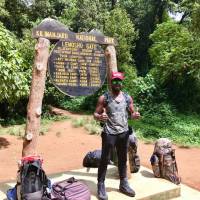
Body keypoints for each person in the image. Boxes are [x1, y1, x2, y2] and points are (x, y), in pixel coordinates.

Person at [94, 71, 140, 200]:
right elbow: (95, 114)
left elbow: (132, 113)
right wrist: (100, 117)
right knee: (105, 159)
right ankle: (101, 184)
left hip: (123, 133)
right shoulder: (104, 98)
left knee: (122, 158)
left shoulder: (127, 97)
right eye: (114, 81)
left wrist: (134, 116)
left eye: (119, 81)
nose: (117, 83)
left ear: (122, 83)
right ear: (111, 82)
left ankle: (123, 183)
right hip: (109, 133)